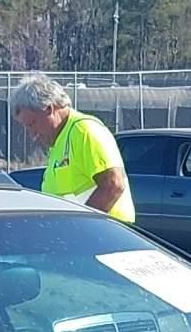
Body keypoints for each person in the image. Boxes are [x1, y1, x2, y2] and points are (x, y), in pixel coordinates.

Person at [10, 75, 133, 223]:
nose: (32, 134)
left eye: (32, 123)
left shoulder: (84, 131)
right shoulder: (59, 140)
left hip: (106, 237)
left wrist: (79, 227)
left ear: (49, 109)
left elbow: (114, 185)